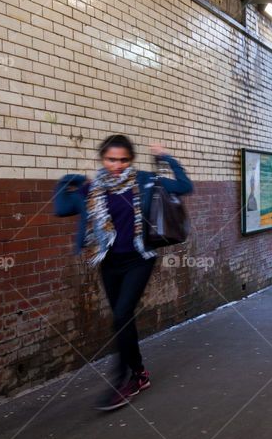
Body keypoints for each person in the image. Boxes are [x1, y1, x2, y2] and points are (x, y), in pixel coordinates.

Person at [53, 134, 193, 411]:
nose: (117, 165)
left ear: (131, 160)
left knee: (121, 315)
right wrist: (72, 180)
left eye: (123, 159)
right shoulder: (93, 190)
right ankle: (140, 373)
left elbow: (185, 186)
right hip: (109, 261)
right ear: (102, 160)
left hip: (139, 259)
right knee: (122, 320)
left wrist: (166, 158)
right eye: (111, 159)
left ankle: (122, 380)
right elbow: (61, 207)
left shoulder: (144, 181)